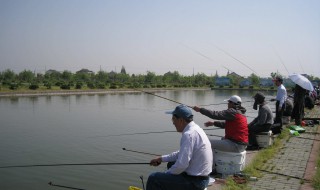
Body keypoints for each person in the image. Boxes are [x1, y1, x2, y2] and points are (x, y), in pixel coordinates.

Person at [146, 105, 213, 190]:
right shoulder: (195, 129)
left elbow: (182, 165)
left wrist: (165, 175)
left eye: (173, 119)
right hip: (202, 178)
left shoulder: (188, 134)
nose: (173, 122)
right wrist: (161, 159)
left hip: (196, 183)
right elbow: (181, 153)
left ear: (181, 120)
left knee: (154, 178)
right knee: (171, 164)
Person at [193, 95, 248, 171]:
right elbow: (226, 125)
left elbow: (215, 114)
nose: (227, 104)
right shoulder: (241, 113)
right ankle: (214, 164)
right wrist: (214, 123)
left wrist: (200, 109)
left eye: (228, 102)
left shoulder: (232, 111)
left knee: (206, 143)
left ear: (232, 103)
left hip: (236, 145)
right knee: (222, 139)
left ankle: (209, 169)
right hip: (241, 145)